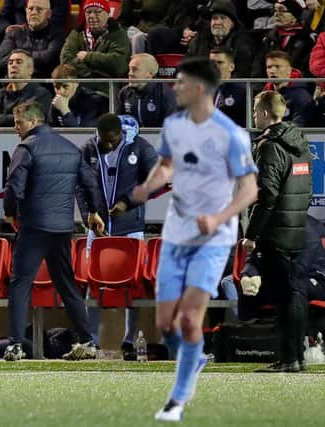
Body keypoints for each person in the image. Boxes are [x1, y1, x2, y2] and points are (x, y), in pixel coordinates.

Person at [132, 57, 258, 421]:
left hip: (213, 238)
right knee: (166, 324)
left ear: (200, 88)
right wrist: (148, 185)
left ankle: (178, 399)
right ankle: (195, 355)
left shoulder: (232, 135)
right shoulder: (173, 125)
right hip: (175, 235)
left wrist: (218, 217)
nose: (175, 87)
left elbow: (249, 189)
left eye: (181, 82)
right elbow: (168, 165)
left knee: (189, 319)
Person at [2, 100, 105, 361]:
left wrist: (10, 213)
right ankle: (86, 341)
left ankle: (15, 344)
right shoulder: (70, 148)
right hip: (61, 228)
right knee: (66, 284)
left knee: (20, 284)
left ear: (33, 122)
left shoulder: (26, 148)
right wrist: (93, 212)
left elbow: (14, 186)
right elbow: (90, 182)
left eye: (19, 123)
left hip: (34, 226)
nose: (16, 128)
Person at [76, 113, 158, 355]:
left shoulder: (140, 147)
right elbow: (80, 186)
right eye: (104, 140)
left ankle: (130, 339)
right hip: (98, 228)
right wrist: (89, 215)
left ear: (120, 134)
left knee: (132, 284)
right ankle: (91, 340)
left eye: (112, 140)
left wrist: (127, 202)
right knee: (93, 281)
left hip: (130, 228)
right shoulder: (89, 149)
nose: (108, 144)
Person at [246, 90, 313, 373]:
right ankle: (296, 356)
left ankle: (288, 359)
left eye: (254, 111)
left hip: (276, 231)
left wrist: (252, 234)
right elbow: (306, 189)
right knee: (295, 293)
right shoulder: (300, 142)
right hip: (298, 227)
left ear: (262, 113)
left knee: (284, 297)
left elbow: (267, 195)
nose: (253, 116)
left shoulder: (270, 146)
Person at [60, 0, 131, 96]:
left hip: (107, 90)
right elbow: (66, 60)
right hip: (78, 88)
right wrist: (93, 75)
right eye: (88, 12)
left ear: (107, 13)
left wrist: (87, 57)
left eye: (97, 12)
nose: (92, 16)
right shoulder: (76, 34)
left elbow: (118, 64)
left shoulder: (119, 34)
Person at [185, 0, 257, 78]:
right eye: (215, 18)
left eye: (223, 18)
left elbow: (242, 74)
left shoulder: (243, 43)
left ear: (232, 23)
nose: (218, 22)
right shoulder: (198, 42)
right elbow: (186, 68)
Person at [0, 49, 52, 126]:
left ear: (30, 70)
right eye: (10, 63)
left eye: (19, 62)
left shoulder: (41, 94)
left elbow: (32, 121)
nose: (13, 65)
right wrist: (18, 118)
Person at [0, 0, 65, 78]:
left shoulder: (58, 35)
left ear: (49, 14)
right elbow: (3, 60)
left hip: (44, 85)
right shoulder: (13, 33)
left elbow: (48, 60)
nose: (33, 12)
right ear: (26, 12)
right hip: (13, 86)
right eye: (30, 9)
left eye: (39, 10)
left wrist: (18, 59)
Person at [115, 53, 177, 127]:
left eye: (135, 69)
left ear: (149, 74)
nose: (130, 73)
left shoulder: (165, 93)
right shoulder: (124, 92)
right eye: (129, 69)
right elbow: (119, 123)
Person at [262, 50, 315, 127]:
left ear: (289, 70)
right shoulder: (263, 95)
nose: (272, 71)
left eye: (277, 67)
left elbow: (297, 130)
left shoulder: (301, 97)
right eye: (269, 67)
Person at [209, 47, 247, 127]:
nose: (215, 66)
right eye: (212, 63)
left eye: (220, 63)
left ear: (231, 67)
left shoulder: (243, 92)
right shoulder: (201, 90)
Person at [0, 0, 71, 33]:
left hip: (46, 38)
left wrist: (31, 29)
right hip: (17, 37)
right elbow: (2, 18)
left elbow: (58, 20)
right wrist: (7, 28)